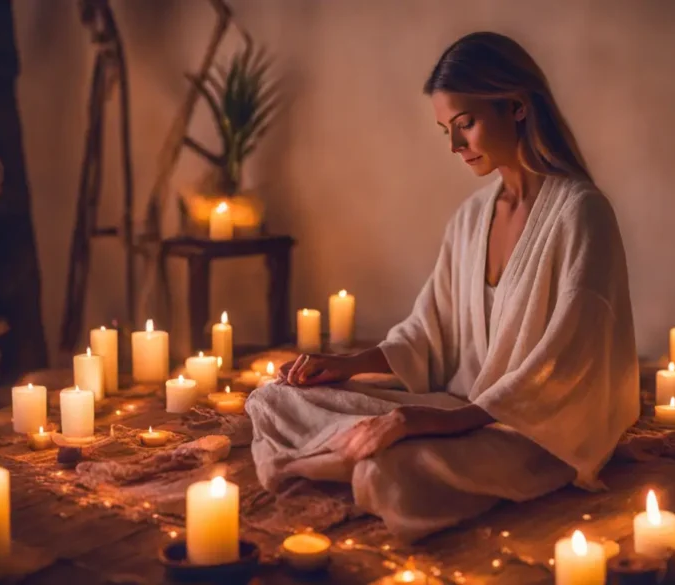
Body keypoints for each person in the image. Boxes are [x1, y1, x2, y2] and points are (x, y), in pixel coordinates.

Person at [245, 31, 639, 542]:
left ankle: (350, 459)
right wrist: (347, 366)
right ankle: (351, 454)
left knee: (387, 474)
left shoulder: (581, 213)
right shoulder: (472, 217)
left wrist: (423, 423)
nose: (454, 146)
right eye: (445, 131)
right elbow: (428, 333)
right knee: (271, 399)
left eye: (465, 124)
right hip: (457, 413)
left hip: (530, 433)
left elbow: (567, 366)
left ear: (516, 106)